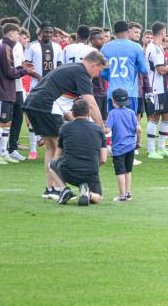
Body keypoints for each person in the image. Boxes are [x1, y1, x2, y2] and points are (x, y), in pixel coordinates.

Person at [23, 51, 107, 200]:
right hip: (45, 106)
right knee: (60, 148)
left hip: (33, 103)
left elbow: (62, 104)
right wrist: (100, 128)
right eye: (99, 70)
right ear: (94, 65)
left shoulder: (72, 68)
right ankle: (59, 188)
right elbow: (91, 104)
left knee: (52, 147)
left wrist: (77, 124)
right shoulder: (82, 74)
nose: (98, 74)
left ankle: (51, 188)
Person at [49, 99, 107, 206]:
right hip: (90, 172)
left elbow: (57, 155)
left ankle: (64, 189)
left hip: (68, 170)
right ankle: (88, 194)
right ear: (89, 113)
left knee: (51, 165)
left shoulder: (65, 127)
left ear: (73, 113)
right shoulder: (98, 129)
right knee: (98, 198)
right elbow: (103, 159)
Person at [24, 21, 63, 159]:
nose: (49, 34)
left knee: (52, 115)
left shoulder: (57, 47)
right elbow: (26, 66)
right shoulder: (33, 47)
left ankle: (50, 146)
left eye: (51, 32)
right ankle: (33, 150)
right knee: (34, 116)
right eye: (46, 32)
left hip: (52, 88)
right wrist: (40, 77)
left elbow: (59, 66)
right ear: (40, 32)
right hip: (36, 86)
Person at [145, 21, 168, 159]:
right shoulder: (153, 48)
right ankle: (151, 150)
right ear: (162, 33)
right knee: (154, 117)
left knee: (167, 116)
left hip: (162, 88)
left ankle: (161, 148)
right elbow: (161, 70)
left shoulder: (158, 47)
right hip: (154, 89)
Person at [100, 20, 148, 113]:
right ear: (127, 31)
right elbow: (144, 69)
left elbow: (103, 72)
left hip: (112, 92)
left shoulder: (105, 48)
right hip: (129, 92)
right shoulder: (136, 47)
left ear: (114, 32)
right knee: (129, 122)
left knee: (113, 122)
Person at [105, 88, 141, 201]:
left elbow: (107, 130)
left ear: (113, 101)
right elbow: (139, 129)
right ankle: (128, 192)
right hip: (131, 146)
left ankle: (122, 195)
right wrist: (138, 142)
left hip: (119, 147)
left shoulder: (112, 113)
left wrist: (99, 129)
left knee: (119, 171)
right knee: (128, 170)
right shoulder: (131, 113)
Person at [7, 26, 32, 161]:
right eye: (22, 36)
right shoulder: (3, 45)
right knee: (5, 120)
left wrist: (26, 68)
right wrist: (24, 70)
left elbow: (21, 65)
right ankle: (1, 149)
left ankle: (12, 148)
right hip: (7, 88)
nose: (26, 40)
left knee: (18, 118)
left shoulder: (20, 48)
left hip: (18, 88)